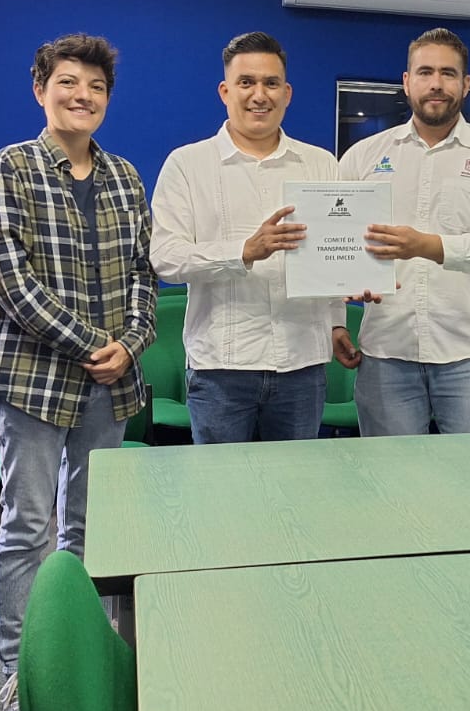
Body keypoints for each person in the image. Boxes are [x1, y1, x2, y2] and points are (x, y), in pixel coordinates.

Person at [0, 33, 157, 711]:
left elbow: (144, 274)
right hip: (31, 380)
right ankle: (22, 675)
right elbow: (10, 279)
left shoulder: (125, 177)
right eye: (69, 83)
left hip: (109, 383)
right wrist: (91, 344)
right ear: (40, 90)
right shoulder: (9, 168)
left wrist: (131, 344)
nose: (83, 96)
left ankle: (76, 655)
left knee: (88, 527)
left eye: (96, 87)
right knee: (27, 526)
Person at [150, 31, 355, 442]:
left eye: (271, 83)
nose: (259, 95)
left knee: (296, 480)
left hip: (302, 365)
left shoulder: (321, 164)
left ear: (287, 93)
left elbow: (333, 254)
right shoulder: (187, 165)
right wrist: (243, 251)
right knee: (222, 482)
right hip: (221, 369)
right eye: (246, 82)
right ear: (225, 91)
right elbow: (166, 258)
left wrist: (337, 323)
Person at [336, 27, 470, 436]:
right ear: (407, 82)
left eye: (448, 73)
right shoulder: (363, 157)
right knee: (391, 474)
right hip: (387, 351)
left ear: (465, 84)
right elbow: (335, 244)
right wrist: (337, 318)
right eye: (425, 72)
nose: (436, 83)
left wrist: (428, 246)